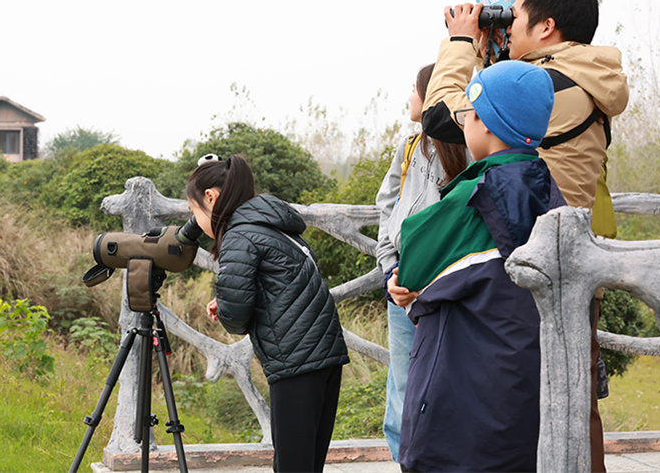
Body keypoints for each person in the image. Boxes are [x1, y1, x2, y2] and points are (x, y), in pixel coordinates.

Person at [421, 0, 629, 471]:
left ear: (546, 27)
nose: (508, 24)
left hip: (535, 260)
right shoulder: (582, 78)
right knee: (574, 400)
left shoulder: (556, 85)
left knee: (552, 403)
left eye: (515, 15)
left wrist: (459, 43)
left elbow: (445, 118)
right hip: (564, 251)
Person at [388, 60, 565, 472]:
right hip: (522, 384)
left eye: (467, 112)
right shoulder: (550, 189)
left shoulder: (472, 197)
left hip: (463, 395)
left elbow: (413, 263)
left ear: (484, 125)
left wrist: (403, 284)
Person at [189, 154, 350, 473]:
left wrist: (227, 305)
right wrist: (228, 299)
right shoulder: (273, 224)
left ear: (211, 197)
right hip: (324, 355)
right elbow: (280, 285)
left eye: (194, 211)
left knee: (291, 466)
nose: (195, 220)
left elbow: (235, 317)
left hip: (296, 362)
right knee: (308, 464)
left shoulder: (238, 234)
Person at [374, 63, 469, 463]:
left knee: (452, 389)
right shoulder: (409, 147)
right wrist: (388, 270)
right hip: (401, 287)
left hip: (446, 290)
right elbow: (386, 209)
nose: (409, 98)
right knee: (401, 397)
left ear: (432, 96)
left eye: (414, 90)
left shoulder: (470, 147)